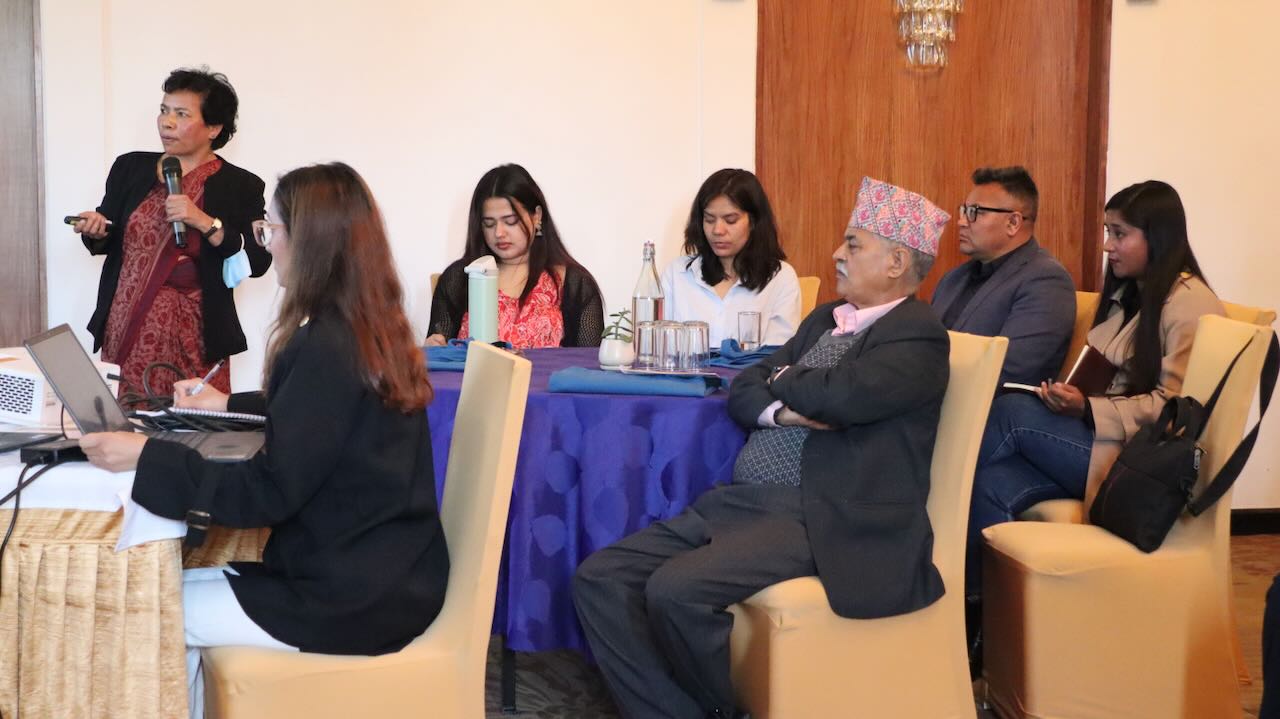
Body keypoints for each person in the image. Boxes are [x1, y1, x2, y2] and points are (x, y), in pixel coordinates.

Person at [79, 162, 448, 718]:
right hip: (381, 573)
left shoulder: (327, 346)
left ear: (312, 242)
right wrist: (226, 404)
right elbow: (317, 413)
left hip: (351, 596)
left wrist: (147, 455)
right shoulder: (361, 328)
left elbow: (270, 491)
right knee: (162, 592)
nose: (267, 244)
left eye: (271, 229)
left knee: (144, 611)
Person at [573, 177, 951, 719]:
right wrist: (785, 406)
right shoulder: (825, 319)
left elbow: (842, 396)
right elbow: (747, 386)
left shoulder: (917, 332)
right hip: (741, 503)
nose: (836, 254)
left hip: (820, 514)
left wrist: (785, 377)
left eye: (853, 244)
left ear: (896, 262)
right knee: (600, 578)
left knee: (676, 591)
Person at [967, 180, 1226, 595]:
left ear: (1157, 236)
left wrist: (1087, 408)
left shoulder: (1189, 303)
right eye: (1108, 231)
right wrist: (1070, 397)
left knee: (1010, 413)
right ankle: (977, 613)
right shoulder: (1133, 294)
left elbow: (1176, 409)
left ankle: (910, 506)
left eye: (1119, 234)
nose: (1107, 246)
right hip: (1102, 444)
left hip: (1137, 461)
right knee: (992, 483)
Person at [72, 67, 271, 399]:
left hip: (199, 334)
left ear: (214, 128)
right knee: (128, 416)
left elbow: (258, 261)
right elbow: (110, 234)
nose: (166, 122)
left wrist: (203, 221)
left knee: (197, 417)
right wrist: (95, 228)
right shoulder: (129, 167)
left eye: (181, 114)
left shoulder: (241, 185)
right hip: (129, 323)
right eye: (164, 111)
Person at [425, 163, 603, 349]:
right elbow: (439, 350)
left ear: (537, 216)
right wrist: (432, 347)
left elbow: (588, 360)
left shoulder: (575, 284)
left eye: (510, 221)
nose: (499, 233)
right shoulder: (460, 278)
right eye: (489, 223)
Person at [931, 166, 1075, 386]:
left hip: (993, 403)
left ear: (1013, 223)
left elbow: (1011, 369)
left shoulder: (1046, 281)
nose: (962, 222)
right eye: (964, 210)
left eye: (975, 212)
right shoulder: (954, 277)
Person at [660, 168, 801, 346]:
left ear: (754, 222)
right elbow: (660, 348)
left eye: (730, 220)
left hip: (757, 366)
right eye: (709, 219)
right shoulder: (677, 274)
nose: (717, 230)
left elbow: (780, 353)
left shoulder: (780, 278)